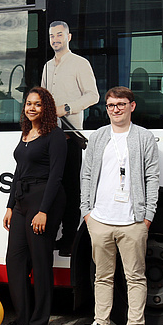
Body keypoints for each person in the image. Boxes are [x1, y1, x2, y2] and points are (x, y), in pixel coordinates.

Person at [76, 86, 159, 325]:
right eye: (111, 105)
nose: (116, 109)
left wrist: (148, 216)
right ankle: (101, 324)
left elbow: (152, 177)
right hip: (100, 219)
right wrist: (87, 212)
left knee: (135, 276)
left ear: (132, 106)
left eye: (121, 104)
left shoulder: (144, 137)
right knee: (102, 276)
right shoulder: (99, 136)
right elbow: (86, 174)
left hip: (133, 221)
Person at [0, 87, 66, 325]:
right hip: (21, 201)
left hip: (43, 199)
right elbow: (18, 172)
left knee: (40, 263)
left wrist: (44, 211)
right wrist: (9, 206)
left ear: (45, 108)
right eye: (28, 104)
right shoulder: (26, 133)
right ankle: (23, 318)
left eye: (37, 104)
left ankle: (40, 323)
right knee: (15, 260)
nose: (31, 108)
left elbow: (56, 177)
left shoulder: (55, 136)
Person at [40, 21, 99, 255]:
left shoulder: (80, 64)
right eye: (52, 35)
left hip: (70, 135)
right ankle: (56, 235)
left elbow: (93, 95)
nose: (55, 39)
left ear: (69, 37)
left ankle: (70, 239)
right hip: (48, 135)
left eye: (59, 35)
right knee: (52, 186)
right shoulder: (46, 67)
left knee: (71, 188)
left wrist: (66, 108)